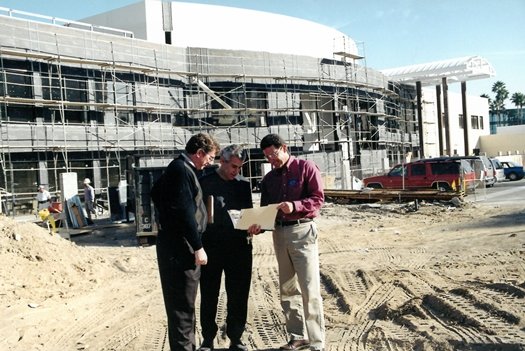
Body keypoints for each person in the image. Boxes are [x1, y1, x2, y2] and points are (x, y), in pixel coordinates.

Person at [248, 134, 325, 351]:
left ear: (284, 147)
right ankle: (297, 336)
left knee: (309, 288)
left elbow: (318, 198)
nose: (271, 160)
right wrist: (257, 225)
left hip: (302, 231)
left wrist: (295, 205)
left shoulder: (306, 168)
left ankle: (317, 342)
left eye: (273, 155)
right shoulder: (269, 180)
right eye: (267, 157)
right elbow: (266, 212)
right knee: (288, 289)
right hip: (280, 234)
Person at [152, 132, 220, 351]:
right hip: (180, 248)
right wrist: (198, 247)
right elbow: (184, 213)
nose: (210, 163)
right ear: (199, 153)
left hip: (175, 245)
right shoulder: (181, 170)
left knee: (185, 306)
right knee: (182, 308)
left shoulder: (178, 168)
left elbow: (155, 192)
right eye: (210, 158)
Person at [198, 145, 253, 351]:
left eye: (239, 168)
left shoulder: (243, 185)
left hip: (238, 247)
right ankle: (208, 338)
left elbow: (249, 214)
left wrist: (254, 226)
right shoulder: (204, 182)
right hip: (211, 247)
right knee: (209, 294)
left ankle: (236, 338)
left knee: (238, 294)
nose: (235, 171)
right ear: (222, 160)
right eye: (233, 166)